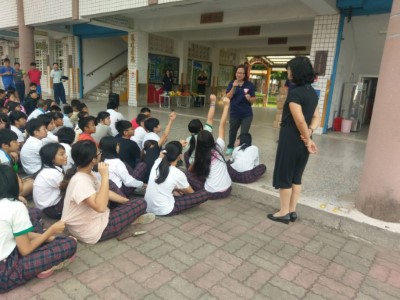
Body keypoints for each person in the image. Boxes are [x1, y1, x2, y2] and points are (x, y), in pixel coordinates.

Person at [0, 165, 77, 293]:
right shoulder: (15, 207)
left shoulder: (11, 206)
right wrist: (50, 231)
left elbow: (13, 233)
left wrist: (48, 238)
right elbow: (25, 250)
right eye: (18, 178)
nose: (22, 180)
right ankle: (44, 265)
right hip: (6, 271)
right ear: (10, 183)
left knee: (33, 214)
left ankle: (44, 247)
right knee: (69, 244)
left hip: (8, 251)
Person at [60, 140, 154, 244]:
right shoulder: (80, 181)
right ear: (93, 160)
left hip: (86, 225)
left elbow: (106, 192)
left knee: (131, 202)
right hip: (94, 231)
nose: (101, 154)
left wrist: (127, 202)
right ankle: (131, 219)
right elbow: (101, 208)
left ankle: (129, 216)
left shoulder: (84, 172)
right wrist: (105, 176)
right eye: (99, 152)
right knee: (141, 203)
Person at [267, 56, 319, 224]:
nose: (288, 72)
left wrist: (307, 138)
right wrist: (309, 134)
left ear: (296, 72)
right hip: (303, 140)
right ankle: (292, 210)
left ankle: (283, 213)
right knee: (296, 176)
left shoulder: (295, 93)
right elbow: (317, 117)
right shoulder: (312, 92)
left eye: (289, 69)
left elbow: (300, 120)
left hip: (291, 139)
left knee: (285, 175)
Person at [145, 141, 208, 216]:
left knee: (175, 188)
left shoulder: (157, 162)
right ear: (180, 156)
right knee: (204, 194)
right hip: (164, 209)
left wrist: (178, 145)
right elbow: (191, 193)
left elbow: (162, 153)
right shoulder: (178, 173)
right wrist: (179, 189)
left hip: (148, 207)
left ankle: (175, 191)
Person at [187, 97, 232, 199]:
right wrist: (226, 106)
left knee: (187, 176)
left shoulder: (200, 156)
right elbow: (222, 126)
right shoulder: (219, 147)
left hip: (211, 193)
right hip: (228, 189)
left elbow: (190, 170)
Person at [225, 64, 256, 155]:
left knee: (244, 133)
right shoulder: (231, 83)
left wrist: (249, 98)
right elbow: (228, 97)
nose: (239, 75)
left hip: (247, 114)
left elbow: (253, 100)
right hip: (234, 113)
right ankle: (230, 147)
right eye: (238, 72)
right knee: (232, 131)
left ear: (245, 75)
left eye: (242, 73)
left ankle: (242, 149)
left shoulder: (249, 85)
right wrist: (234, 87)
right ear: (235, 73)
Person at [33, 143, 67, 219]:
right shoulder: (53, 173)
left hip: (46, 208)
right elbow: (69, 188)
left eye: (65, 153)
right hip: (53, 210)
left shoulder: (48, 169)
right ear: (52, 158)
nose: (66, 156)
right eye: (62, 154)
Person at [184, 94, 216, 168]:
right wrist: (213, 102)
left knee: (186, 154)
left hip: (193, 165)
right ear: (201, 129)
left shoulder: (188, 140)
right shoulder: (207, 133)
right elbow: (210, 118)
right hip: (206, 165)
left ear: (190, 131)